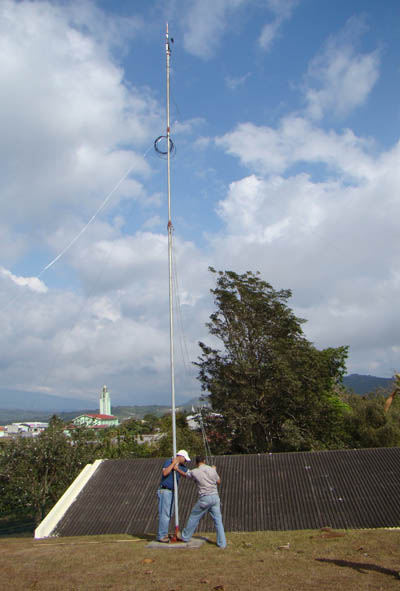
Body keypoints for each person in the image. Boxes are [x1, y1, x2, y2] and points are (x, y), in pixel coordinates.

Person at [178, 455, 226, 548]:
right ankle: (222, 543)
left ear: (196, 463)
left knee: (194, 516)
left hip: (205, 498)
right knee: (218, 521)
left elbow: (186, 475)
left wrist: (177, 469)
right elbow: (218, 481)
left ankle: (185, 536)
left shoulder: (195, 471)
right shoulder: (211, 469)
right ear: (204, 461)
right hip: (215, 497)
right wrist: (214, 470)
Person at [157, 449, 191, 543]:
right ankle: (161, 535)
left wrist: (178, 469)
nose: (186, 461)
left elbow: (188, 475)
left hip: (172, 492)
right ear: (180, 457)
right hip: (165, 490)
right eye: (185, 459)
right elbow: (165, 473)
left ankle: (165, 533)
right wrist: (173, 464)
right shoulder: (169, 461)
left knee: (170, 513)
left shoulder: (181, 466)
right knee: (165, 514)